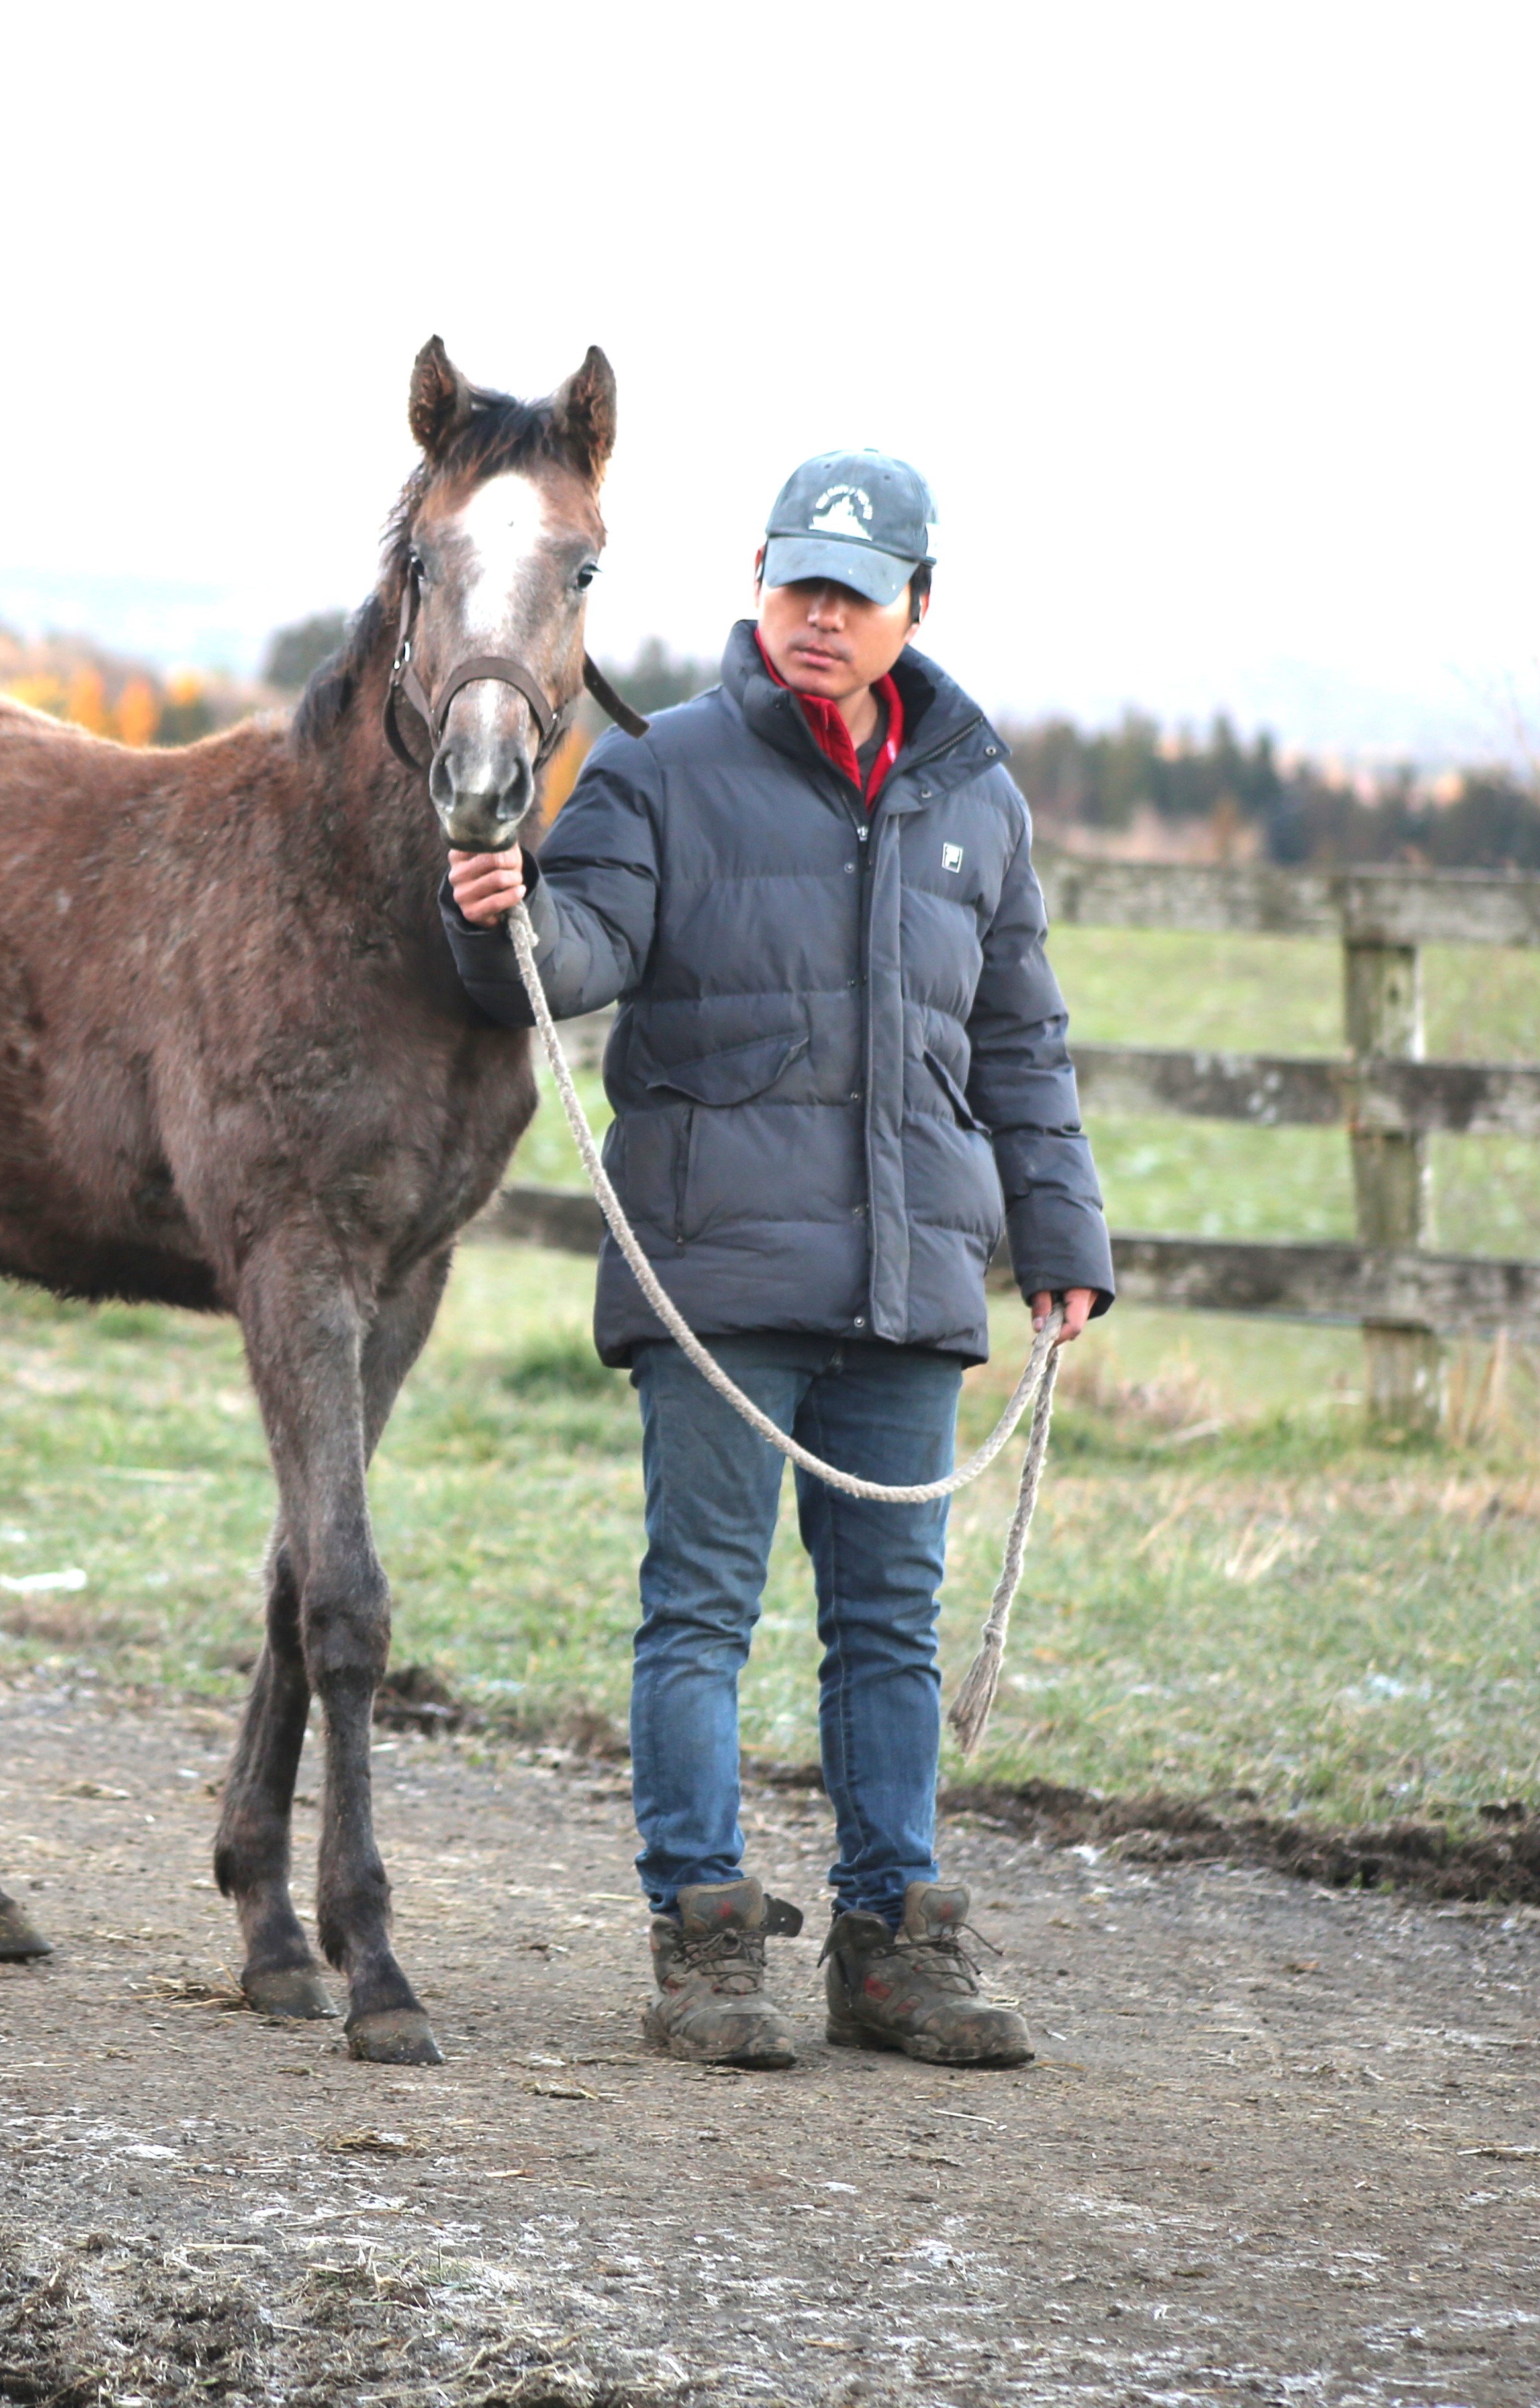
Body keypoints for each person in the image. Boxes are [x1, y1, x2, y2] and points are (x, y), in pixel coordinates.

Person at [446, 448, 1114, 2071]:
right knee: (703, 1614)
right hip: (720, 1278)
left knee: (890, 1626)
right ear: (758, 580)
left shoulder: (979, 800)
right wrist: (502, 905)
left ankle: (893, 1946)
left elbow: (1020, 1039)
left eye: (856, 594)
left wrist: (1062, 1237)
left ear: (917, 608)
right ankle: (705, 1938)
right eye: (799, 583)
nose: (821, 616)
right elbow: (584, 952)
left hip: (909, 1289)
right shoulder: (661, 771)